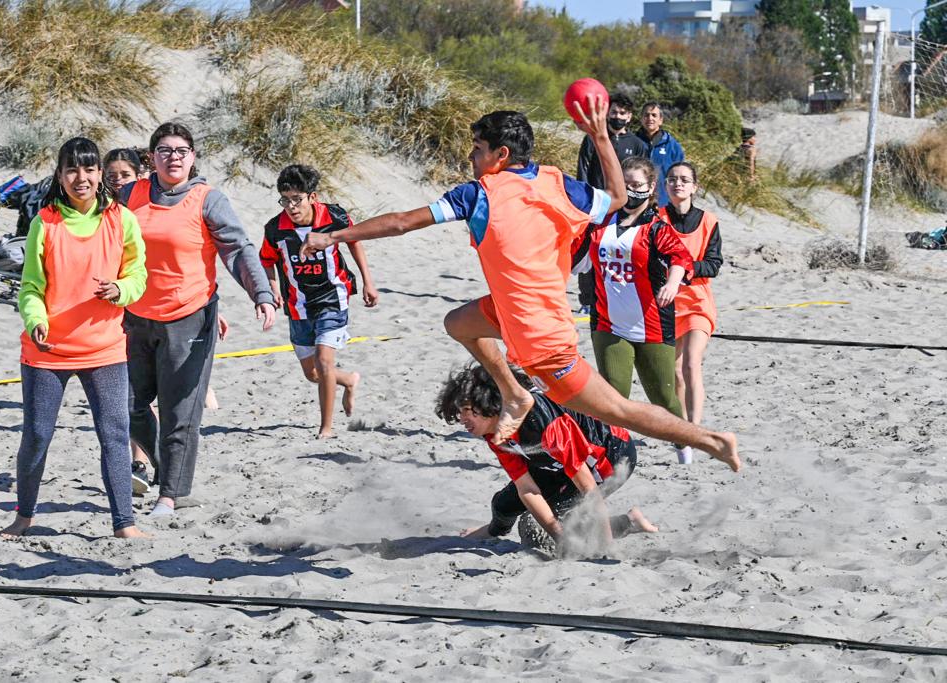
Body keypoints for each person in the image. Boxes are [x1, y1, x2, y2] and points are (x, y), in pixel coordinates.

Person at [300, 103, 740, 472]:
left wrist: (333, 236)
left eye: (477, 150)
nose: (472, 158)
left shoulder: (479, 194)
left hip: (541, 337)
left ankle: (711, 439)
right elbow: (619, 197)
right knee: (458, 322)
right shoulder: (556, 182)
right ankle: (512, 393)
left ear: (501, 153)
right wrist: (601, 137)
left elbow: (400, 223)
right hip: (511, 310)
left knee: (619, 411)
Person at [116, 122, 278, 517]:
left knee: (179, 411)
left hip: (188, 316)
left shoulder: (208, 199)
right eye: (165, 150)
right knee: (130, 405)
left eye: (182, 150)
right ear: (151, 157)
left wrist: (261, 294)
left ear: (193, 157)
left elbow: (238, 249)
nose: (174, 157)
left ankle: (169, 495)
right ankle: (164, 467)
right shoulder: (128, 195)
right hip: (134, 316)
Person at [1, 137, 148, 539]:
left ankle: (124, 524)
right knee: (36, 435)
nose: (80, 178)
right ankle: (24, 516)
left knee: (114, 434)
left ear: (100, 174)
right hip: (48, 349)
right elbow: (30, 287)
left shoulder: (122, 218)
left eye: (88, 169)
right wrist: (36, 319)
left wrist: (122, 289)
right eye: (71, 169)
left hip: (104, 348)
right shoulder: (44, 223)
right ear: (60, 175)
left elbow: (139, 275)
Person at [438, 364, 657, 555]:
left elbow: (588, 487)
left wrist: (606, 549)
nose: (462, 419)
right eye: (460, 411)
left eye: (468, 410)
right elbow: (526, 488)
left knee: (535, 528)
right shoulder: (495, 430)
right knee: (503, 505)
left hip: (608, 455)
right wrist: (559, 537)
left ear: (490, 404)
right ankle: (491, 531)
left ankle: (628, 522)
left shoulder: (542, 424)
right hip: (553, 464)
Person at [581, 156, 693, 463]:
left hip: (652, 324)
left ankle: (683, 443)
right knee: (613, 398)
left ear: (651, 187)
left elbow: (681, 258)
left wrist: (672, 283)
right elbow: (574, 257)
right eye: (626, 185)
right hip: (607, 323)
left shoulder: (657, 228)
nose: (631, 191)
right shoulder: (600, 226)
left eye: (637, 185)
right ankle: (611, 456)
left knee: (663, 397)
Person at [259, 164, 378, 438]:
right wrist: (273, 287)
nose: (291, 206)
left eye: (296, 199)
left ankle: (326, 428)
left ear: (312, 197)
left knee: (325, 361)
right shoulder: (275, 228)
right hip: (298, 304)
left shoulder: (333, 216)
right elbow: (266, 260)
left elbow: (355, 241)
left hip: (333, 298)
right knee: (313, 373)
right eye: (285, 199)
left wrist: (368, 281)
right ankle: (348, 379)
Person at [658, 162, 723, 464]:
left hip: (697, 300)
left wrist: (684, 270)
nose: (678, 184)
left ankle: (695, 431)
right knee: (674, 372)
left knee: (691, 365)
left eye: (684, 180)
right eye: (672, 180)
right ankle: (683, 431)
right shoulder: (656, 218)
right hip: (667, 304)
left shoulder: (709, 221)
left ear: (695, 187)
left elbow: (713, 264)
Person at [575, 91, 650, 314]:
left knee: (619, 253)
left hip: (627, 207)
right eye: (614, 111)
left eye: (622, 112)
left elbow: (644, 174)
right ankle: (587, 301)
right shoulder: (592, 139)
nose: (618, 115)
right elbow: (583, 170)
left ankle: (614, 296)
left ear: (629, 116)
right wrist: (585, 202)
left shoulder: (637, 143)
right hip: (597, 204)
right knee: (589, 252)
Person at [637, 102, 684, 208]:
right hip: (635, 202)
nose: (650, 118)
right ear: (641, 119)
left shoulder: (673, 146)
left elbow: (679, 177)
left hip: (663, 203)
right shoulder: (633, 142)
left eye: (654, 115)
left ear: (661, 120)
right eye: (646, 115)